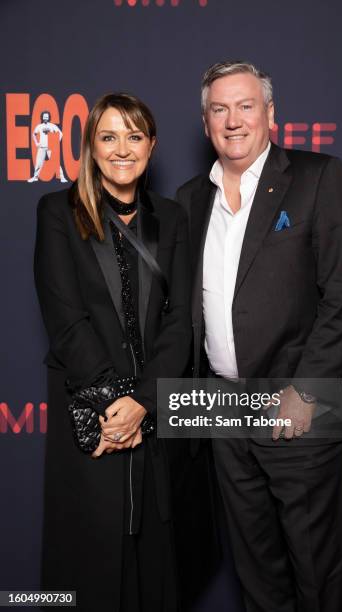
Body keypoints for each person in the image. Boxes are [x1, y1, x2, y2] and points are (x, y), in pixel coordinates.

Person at [176, 61, 342, 611]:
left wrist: (307, 391)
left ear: (270, 114)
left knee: (316, 567)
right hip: (224, 411)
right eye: (219, 109)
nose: (232, 121)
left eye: (245, 106)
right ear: (206, 120)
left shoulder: (317, 177)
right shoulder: (192, 198)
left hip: (296, 404)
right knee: (255, 570)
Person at [34, 92, 218, 612]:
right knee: (90, 560)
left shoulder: (172, 217)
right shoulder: (57, 212)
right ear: (91, 146)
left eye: (134, 137)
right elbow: (65, 320)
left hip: (154, 416)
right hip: (94, 411)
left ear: (151, 146)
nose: (122, 149)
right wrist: (116, 407)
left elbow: (181, 320)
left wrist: (145, 400)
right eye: (108, 136)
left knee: (158, 564)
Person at [28, 110, 68, 183]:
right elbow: (34, 134)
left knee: (56, 163)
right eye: (44, 117)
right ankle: (35, 177)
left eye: (46, 117)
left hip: (50, 147)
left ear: (48, 117)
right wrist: (37, 143)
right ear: (42, 117)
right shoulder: (39, 126)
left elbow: (60, 134)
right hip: (42, 147)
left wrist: (55, 142)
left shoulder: (52, 126)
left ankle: (62, 177)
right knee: (38, 163)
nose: (45, 118)